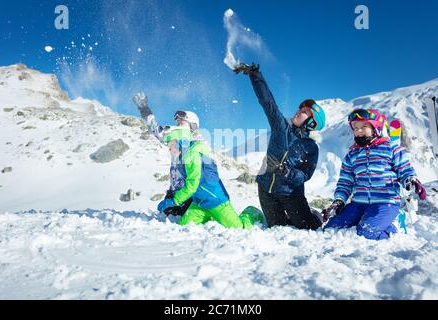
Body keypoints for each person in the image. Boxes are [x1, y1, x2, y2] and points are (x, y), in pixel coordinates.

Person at [234, 63, 326, 230]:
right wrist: (255, 76)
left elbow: (306, 175)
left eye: (305, 112)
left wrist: (287, 172)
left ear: (313, 123)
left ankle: (315, 215)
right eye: (301, 109)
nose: (299, 112)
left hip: (290, 193)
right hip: (266, 188)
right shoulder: (281, 127)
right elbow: (267, 103)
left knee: (308, 228)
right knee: (278, 227)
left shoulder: (311, 147)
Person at [322, 108, 427, 240]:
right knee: (331, 229)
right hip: (358, 203)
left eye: (364, 126)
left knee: (366, 232)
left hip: (385, 202)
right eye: (355, 127)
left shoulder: (391, 149)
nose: (358, 131)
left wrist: (411, 180)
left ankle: (394, 225)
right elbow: (345, 182)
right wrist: (339, 201)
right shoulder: (352, 155)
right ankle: (370, 219)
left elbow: (404, 170)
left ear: (376, 128)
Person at [156, 128, 265, 229]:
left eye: (172, 146)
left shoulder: (192, 155)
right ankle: (212, 216)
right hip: (199, 203)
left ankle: (252, 212)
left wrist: (174, 200)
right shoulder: (184, 158)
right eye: (169, 147)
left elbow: (192, 185)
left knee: (239, 227)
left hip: (215, 201)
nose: (170, 150)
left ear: (181, 142)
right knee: (183, 226)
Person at [133, 92, 201, 216]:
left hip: (187, 194)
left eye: (181, 122)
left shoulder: (186, 137)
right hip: (175, 191)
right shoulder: (182, 137)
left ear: (191, 125)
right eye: (177, 122)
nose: (177, 125)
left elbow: (156, 130)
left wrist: (144, 108)